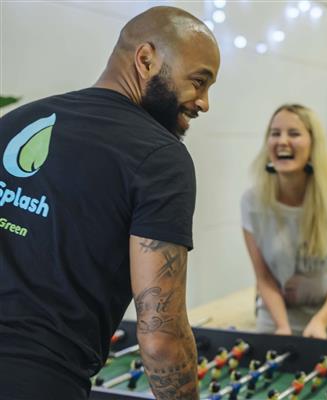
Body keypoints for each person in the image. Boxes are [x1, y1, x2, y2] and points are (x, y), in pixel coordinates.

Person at [0, 6, 220, 400]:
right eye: (198, 82)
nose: (203, 102)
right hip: (36, 379)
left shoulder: (17, 123)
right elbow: (160, 337)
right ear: (146, 60)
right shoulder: (161, 157)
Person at [241, 104, 327, 341]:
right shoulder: (252, 201)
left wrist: (321, 320)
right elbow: (263, 277)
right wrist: (282, 327)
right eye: (275, 133)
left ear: (313, 145)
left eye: (294, 133)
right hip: (276, 318)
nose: (282, 141)